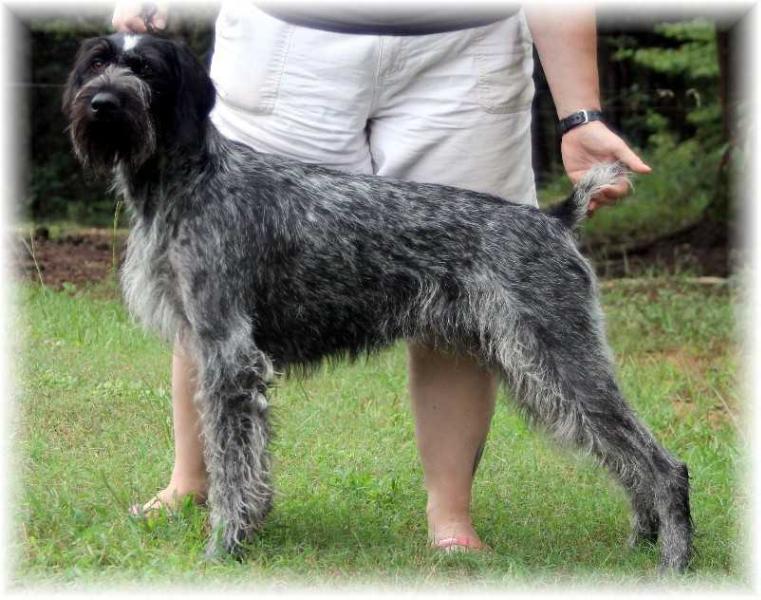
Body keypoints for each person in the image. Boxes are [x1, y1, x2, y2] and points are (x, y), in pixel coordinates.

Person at [114, 2, 651, 552]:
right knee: (209, 287)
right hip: (286, 43)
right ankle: (193, 486)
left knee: (474, 287)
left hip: (464, 50)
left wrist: (581, 115)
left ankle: (452, 521)